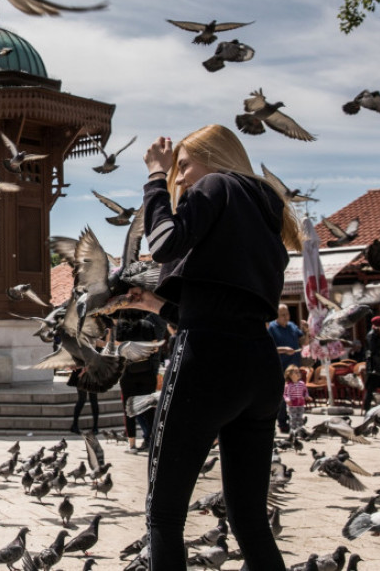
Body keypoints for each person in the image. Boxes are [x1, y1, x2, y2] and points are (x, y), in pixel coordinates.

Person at [123, 125, 301, 571]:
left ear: (214, 157)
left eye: (184, 167)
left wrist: (153, 177)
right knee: (249, 520)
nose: (179, 179)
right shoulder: (264, 207)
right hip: (258, 366)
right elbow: (224, 306)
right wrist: (157, 304)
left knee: (164, 515)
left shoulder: (216, 183)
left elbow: (163, 243)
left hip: (206, 361)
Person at [117, 311, 163, 453]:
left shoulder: (121, 325)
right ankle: (151, 440)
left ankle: (132, 445)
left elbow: (119, 348)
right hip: (147, 370)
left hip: (129, 371)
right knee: (149, 406)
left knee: (128, 408)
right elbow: (155, 347)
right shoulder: (148, 325)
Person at [268, 304, 302, 433]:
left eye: (287, 314)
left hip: (294, 368)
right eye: (283, 315)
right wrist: (284, 350)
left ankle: (295, 422)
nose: (286, 317)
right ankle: (282, 422)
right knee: (282, 397)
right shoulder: (271, 328)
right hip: (280, 368)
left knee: (295, 395)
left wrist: (307, 332)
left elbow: (303, 341)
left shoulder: (292, 326)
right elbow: (268, 348)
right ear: (276, 315)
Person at [67, 368, 100, 435]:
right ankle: (75, 425)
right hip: (86, 374)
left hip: (88, 374)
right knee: (85, 400)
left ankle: (94, 427)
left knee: (89, 400)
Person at [282, 365, 309, 433]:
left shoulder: (302, 383)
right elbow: (285, 394)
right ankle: (293, 430)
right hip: (292, 405)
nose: (298, 374)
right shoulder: (288, 385)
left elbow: (305, 391)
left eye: (298, 372)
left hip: (300, 404)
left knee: (299, 417)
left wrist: (306, 396)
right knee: (293, 418)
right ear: (290, 375)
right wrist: (287, 399)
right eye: (296, 372)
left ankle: (300, 430)